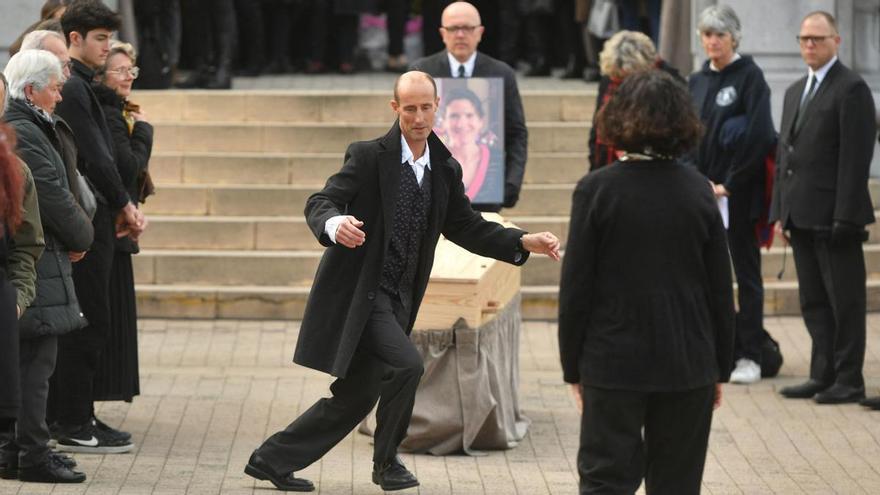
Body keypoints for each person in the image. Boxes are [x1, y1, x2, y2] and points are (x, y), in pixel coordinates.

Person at [244, 71, 560, 493]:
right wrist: (335, 224)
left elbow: (466, 226)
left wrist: (522, 240)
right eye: (409, 108)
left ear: (436, 107)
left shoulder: (444, 167)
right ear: (395, 109)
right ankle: (387, 463)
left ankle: (271, 459)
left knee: (356, 397)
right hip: (363, 295)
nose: (418, 116)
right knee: (407, 365)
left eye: (426, 107)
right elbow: (321, 201)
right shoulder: (369, 156)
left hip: (398, 299)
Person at [559, 70, 735, 494]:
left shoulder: (596, 190)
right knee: (677, 483)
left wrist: (572, 366)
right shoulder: (699, 190)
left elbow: (576, 289)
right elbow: (719, 289)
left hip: (613, 360)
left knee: (605, 481)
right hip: (687, 361)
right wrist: (721, 365)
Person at [49, 0, 144, 454]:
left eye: (110, 37)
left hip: (98, 216)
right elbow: (98, 156)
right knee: (88, 321)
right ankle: (71, 420)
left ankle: (80, 414)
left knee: (95, 320)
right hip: (88, 218)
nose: (108, 47)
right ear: (75, 40)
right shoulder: (73, 87)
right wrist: (125, 203)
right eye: (101, 38)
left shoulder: (86, 85)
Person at [771, 11, 876, 405]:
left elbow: (855, 158)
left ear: (837, 40)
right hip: (800, 214)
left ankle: (849, 379)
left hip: (836, 217)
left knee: (844, 300)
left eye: (817, 38)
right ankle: (823, 373)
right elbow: (785, 155)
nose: (809, 45)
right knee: (813, 300)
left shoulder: (851, 89)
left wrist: (845, 216)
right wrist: (780, 209)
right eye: (803, 39)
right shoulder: (796, 90)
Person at [3, 49, 94, 483]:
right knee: (33, 369)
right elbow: (56, 198)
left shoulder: (29, 131)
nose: (60, 96)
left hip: (37, 267)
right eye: (55, 87)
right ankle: (31, 454)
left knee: (31, 367)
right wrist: (83, 235)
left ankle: (19, 451)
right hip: (40, 267)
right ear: (30, 90)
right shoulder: (23, 130)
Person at [689, 5, 776, 385]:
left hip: (737, 196)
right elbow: (686, 136)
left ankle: (751, 354)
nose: (712, 42)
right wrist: (697, 182)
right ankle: (714, 350)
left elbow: (760, 137)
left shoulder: (750, 78)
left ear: (734, 38)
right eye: (707, 35)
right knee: (703, 274)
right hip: (702, 195)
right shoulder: (697, 80)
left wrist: (729, 184)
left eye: (720, 35)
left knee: (746, 276)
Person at [412, 1, 528, 213]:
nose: (460, 35)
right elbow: (407, 130)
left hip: (486, 193)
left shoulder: (501, 73)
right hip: (431, 196)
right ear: (442, 33)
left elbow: (516, 133)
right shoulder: (421, 71)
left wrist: (511, 183)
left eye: (468, 28)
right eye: (453, 28)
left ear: (480, 32)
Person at [92, 41, 152, 404]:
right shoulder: (110, 112)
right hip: (110, 227)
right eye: (120, 70)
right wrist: (145, 132)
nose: (128, 77)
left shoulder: (117, 109)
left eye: (132, 70)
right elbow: (127, 166)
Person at [589, 30, 681, 171]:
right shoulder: (609, 79)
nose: (621, 83)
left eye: (626, 78)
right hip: (608, 166)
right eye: (617, 78)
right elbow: (597, 128)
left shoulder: (668, 83)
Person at [437, 87, 503, 204]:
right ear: (443, 122)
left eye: (469, 115)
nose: (461, 124)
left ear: (481, 121)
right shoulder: (431, 160)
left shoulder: (499, 159)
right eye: (454, 116)